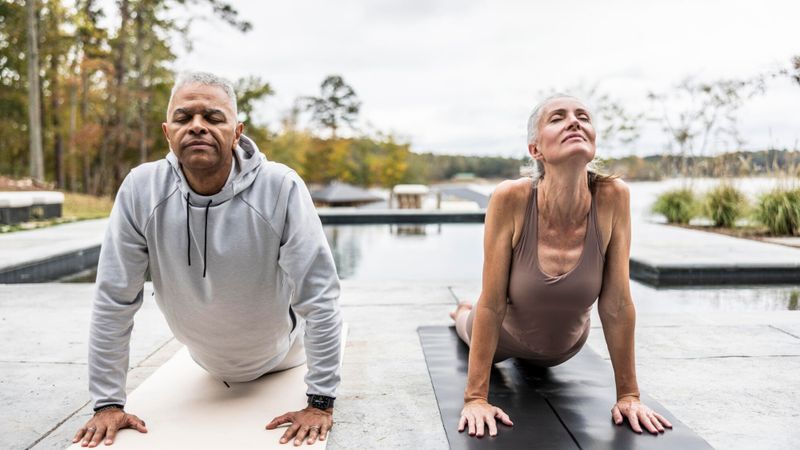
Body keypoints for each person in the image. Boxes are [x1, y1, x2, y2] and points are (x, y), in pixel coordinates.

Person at [73, 71, 342, 448]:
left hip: (283, 355)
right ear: (168, 132)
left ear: (237, 131)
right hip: (204, 359)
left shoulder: (280, 187)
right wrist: (107, 403)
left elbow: (320, 296)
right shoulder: (141, 189)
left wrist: (320, 402)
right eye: (184, 118)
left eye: (213, 117)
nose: (197, 126)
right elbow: (113, 300)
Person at [451, 95, 673, 438]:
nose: (574, 122)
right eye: (558, 118)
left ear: (593, 141)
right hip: (504, 339)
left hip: (565, 347)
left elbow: (616, 304)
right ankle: (459, 311)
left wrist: (629, 395)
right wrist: (475, 398)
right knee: (470, 316)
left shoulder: (614, 196)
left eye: (582, 117)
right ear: (535, 149)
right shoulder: (510, 198)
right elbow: (493, 303)